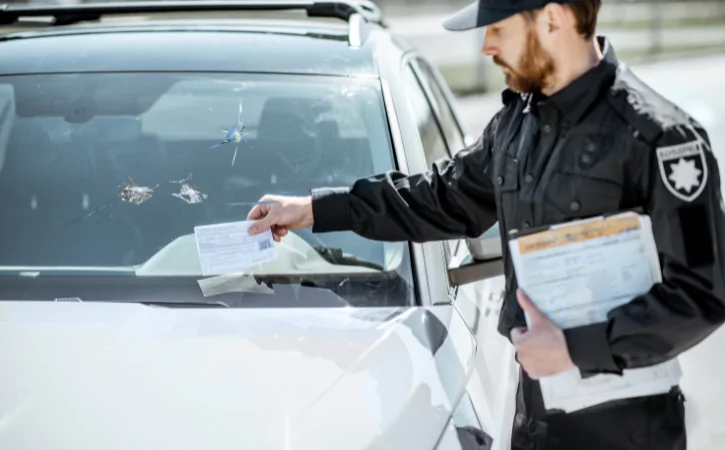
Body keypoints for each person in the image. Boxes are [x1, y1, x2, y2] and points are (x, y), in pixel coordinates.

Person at [247, 0, 725, 448]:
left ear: (553, 19)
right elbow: (437, 197)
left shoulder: (661, 138)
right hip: (532, 419)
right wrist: (314, 209)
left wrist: (576, 348)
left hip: (626, 430)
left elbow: (703, 294)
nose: (486, 47)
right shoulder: (516, 122)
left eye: (498, 28)